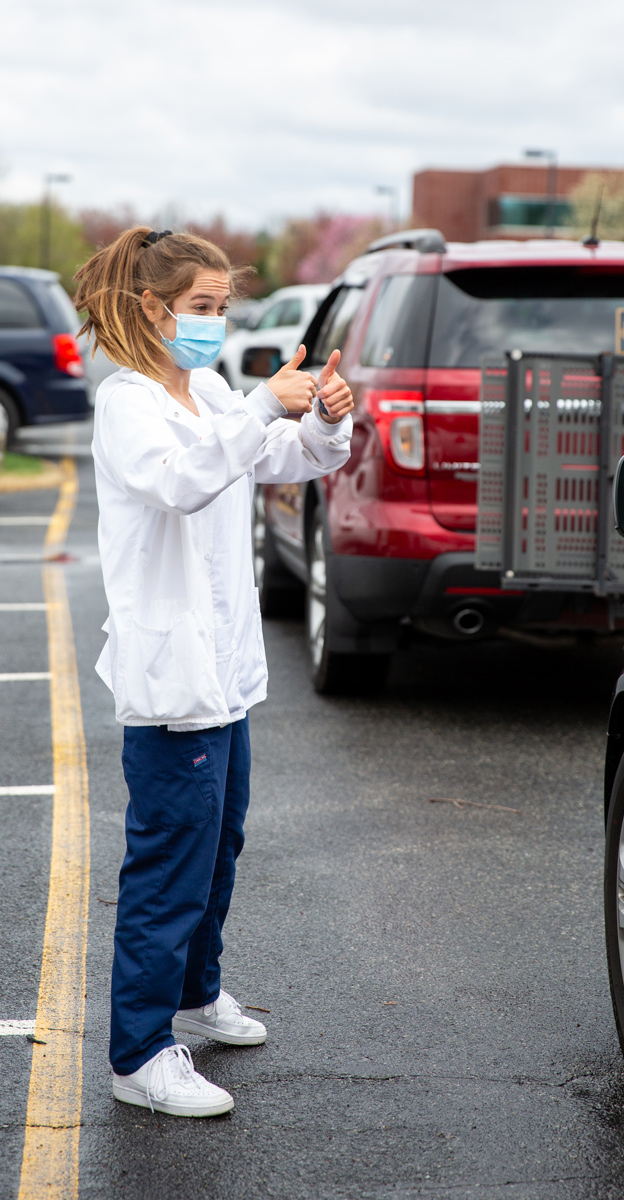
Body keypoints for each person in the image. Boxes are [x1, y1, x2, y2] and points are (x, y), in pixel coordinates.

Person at [73, 227, 354, 1118]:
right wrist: (263, 408)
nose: (213, 324)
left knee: (218, 847)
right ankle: (139, 1053)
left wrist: (323, 419)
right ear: (151, 308)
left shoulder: (208, 393)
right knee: (168, 867)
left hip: (224, 674)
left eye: (221, 309)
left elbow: (282, 459)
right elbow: (184, 480)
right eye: (200, 308)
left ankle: (196, 996)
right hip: (173, 683)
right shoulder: (128, 405)